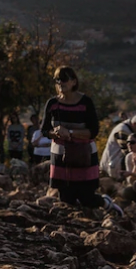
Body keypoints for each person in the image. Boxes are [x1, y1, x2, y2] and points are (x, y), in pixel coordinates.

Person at [40, 67, 109, 209]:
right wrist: (56, 133)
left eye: (64, 79)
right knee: (66, 199)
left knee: (87, 198)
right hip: (60, 157)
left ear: (73, 81)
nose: (60, 83)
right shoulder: (52, 104)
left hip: (83, 155)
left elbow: (93, 131)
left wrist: (70, 133)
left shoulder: (85, 103)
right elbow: (45, 130)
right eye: (57, 80)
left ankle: (106, 204)